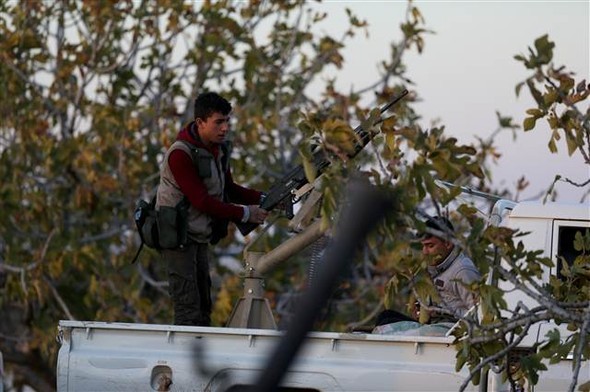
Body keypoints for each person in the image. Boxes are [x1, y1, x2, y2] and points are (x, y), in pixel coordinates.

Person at [156, 92, 269, 326]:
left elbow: (229, 188)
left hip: (198, 237)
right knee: (188, 310)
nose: (225, 128)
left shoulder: (217, 150)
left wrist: (266, 198)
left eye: (227, 121)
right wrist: (246, 213)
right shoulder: (180, 154)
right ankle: (186, 361)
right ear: (200, 123)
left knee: (204, 307)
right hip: (179, 239)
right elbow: (202, 201)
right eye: (219, 122)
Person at [374, 216, 481, 329]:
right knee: (386, 317)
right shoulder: (434, 267)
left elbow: (479, 316)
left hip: (450, 332)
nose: (425, 252)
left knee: (386, 325)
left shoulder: (463, 271)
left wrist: (439, 311)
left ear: (448, 244)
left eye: (430, 246)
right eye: (423, 246)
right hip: (433, 326)